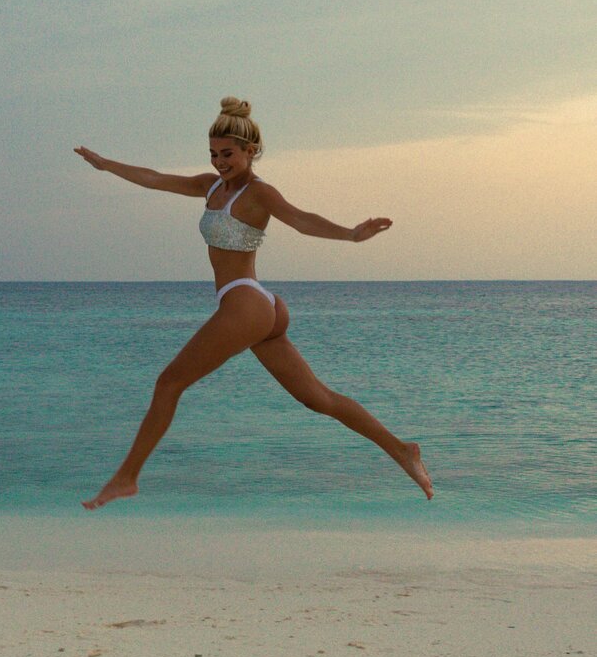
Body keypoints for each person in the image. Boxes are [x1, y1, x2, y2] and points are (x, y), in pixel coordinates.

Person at [74, 96, 433, 510]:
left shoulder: (259, 193)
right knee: (318, 398)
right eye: (213, 154)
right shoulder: (210, 186)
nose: (219, 162)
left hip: (245, 304)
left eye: (227, 154)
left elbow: (300, 219)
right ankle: (402, 449)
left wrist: (350, 234)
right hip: (261, 308)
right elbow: (155, 179)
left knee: (169, 383)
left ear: (250, 151)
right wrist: (106, 165)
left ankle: (127, 478)